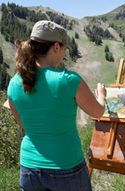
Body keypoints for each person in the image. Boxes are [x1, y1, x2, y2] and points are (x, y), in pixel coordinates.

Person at [6, 20, 106, 191]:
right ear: (56, 47)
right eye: (65, 50)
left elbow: (24, 125)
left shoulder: (14, 83)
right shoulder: (68, 80)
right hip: (66, 167)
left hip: (29, 168)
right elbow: (98, 112)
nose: (64, 56)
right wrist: (102, 95)